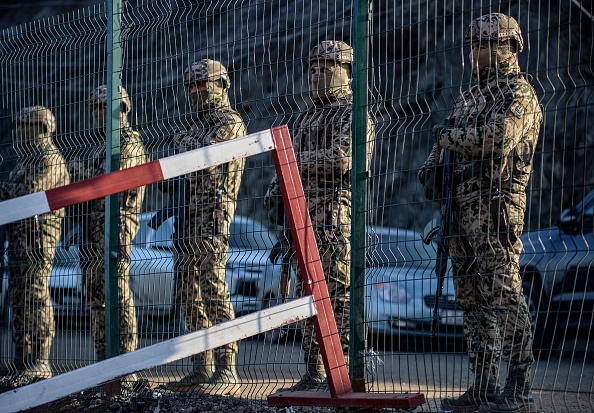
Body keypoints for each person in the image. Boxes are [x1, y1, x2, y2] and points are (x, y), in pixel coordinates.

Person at [418, 13, 542, 413]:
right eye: (474, 43)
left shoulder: (519, 93)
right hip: (460, 211)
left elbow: (500, 137)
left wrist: (449, 138)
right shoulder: (469, 98)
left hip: (496, 207)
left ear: (510, 46)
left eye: (488, 43)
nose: (478, 51)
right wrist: (434, 168)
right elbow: (435, 158)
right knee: (472, 303)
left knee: (504, 294)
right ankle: (484, 385)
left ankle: (519, 386)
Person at [264, 40, 374, 391]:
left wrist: (292, 164)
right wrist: (276, 189)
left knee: (337, 297)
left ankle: (342, 373)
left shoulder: (354, 114)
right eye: (312, 68)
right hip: (300, 222)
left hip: (332, 223)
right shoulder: (307, 117)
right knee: (306, 297)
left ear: (346, 72)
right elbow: (285, 164)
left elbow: (344, 160)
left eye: (326, 67)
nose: (317, 74)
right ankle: (314, 372)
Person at [163, 59, 247, 395]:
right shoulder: (195, 127)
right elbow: (171, 176)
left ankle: (227, 367)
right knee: (188, 292)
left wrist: (180, 145)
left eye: (203, 84)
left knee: (212, 287)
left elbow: (204, 162)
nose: (197, 91)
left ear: (222, 85)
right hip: (187, 218)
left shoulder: (229, 123)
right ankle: (202, 365)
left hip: (212, 217)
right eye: (192, 86)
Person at [68, 86, 147, 375]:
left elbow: (109, 182)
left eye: (104, 106)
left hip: (116, 228)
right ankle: (104, 366)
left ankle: (125, 368)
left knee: (117, 295)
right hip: (93, 229)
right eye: (96, 107)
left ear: (122, 109)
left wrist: (77, 172)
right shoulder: (101, 145)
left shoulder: (128, 142)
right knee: (96, 298)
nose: (98, 112)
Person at [0, 106, 70, 388]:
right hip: (19, 239)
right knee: (19, 299)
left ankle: (39, 362)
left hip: (37, 239)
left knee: (36, 297)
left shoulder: (48, 159)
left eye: (23, 124)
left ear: (39, 127)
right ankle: (23, 360)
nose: (17, 130)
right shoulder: (24, 160)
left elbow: (27, 191)